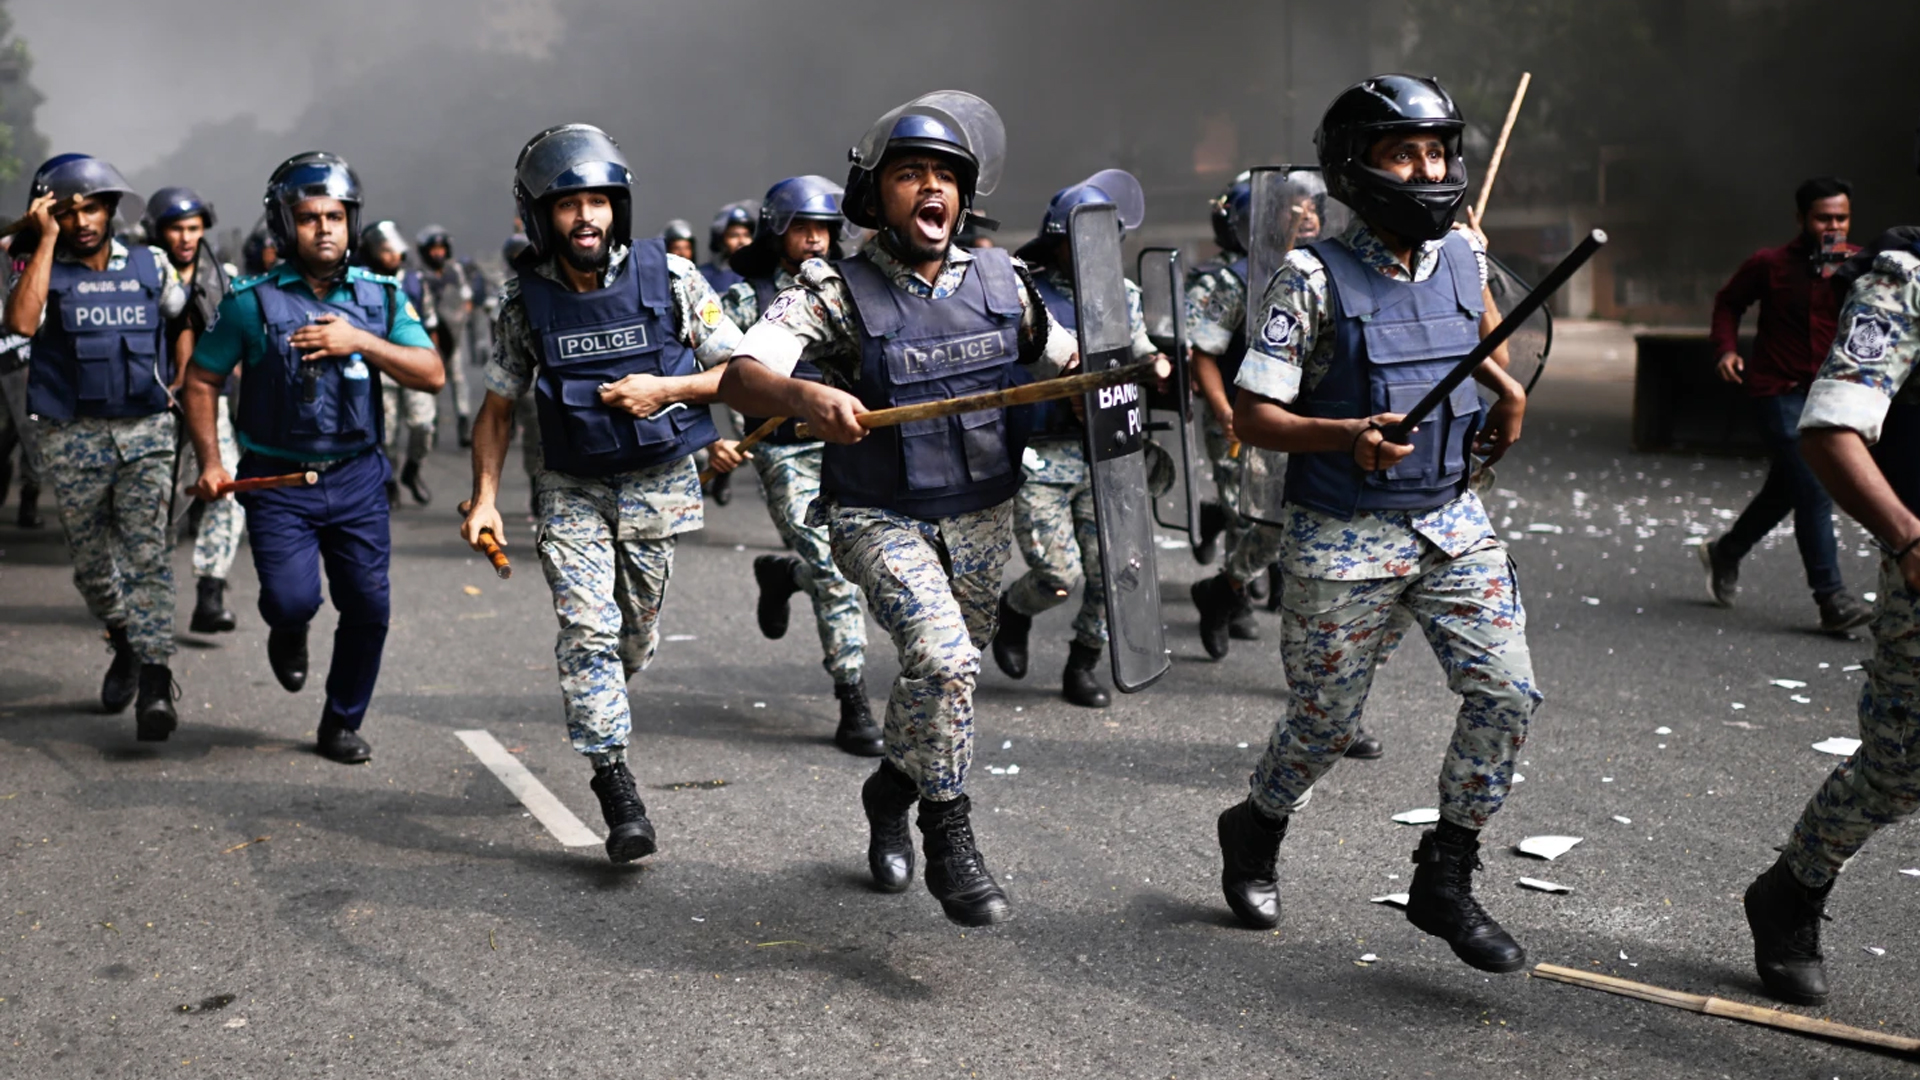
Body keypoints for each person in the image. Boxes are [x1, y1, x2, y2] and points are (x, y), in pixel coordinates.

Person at [718, 90, 1076, 926]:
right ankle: (949, 831)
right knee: (946, 662)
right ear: (876, 197)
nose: (931, 189)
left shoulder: (1004, 282)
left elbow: (1069, 364)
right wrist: (804, 395)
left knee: (941, 680)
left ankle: (889, 790)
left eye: (946, 175)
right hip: (877, 515)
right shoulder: (830, 289)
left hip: (983, 517)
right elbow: (741, 376)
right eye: (910, 173)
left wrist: (1133, 378)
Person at [1213, 75, 1541, 974]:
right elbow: (1251, 417)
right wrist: (1342, 435)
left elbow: (1481, 348)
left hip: (1450, 520)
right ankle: (1256, 824)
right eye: (1404, 152)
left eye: (1438, 151)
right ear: (1356, 167)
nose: (1427, 169)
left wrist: (1507, 395)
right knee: (1323, 723)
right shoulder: (1310, 278)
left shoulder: (1465, 256)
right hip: (1343, 535)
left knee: (1507, 693)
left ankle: (1446, 876)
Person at [462, 124, 743, 864]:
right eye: (566, 205)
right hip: (571, 489)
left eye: (597, 201)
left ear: (617, 205)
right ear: (538, 215)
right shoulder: (523, 303)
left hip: (658, 487)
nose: (585, 218)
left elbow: (739, 370)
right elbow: (496, 407)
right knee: (587, 630)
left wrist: (670, 389)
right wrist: (485, 496)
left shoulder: (675, 278)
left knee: (634, 638)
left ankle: (604, 702)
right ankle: (615, 782)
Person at [182, 151, 444, 764]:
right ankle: (290, 629)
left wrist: (359, 341)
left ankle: (340, 722)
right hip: (275, 479)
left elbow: (431, 374)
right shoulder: (251, 303)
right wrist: (212, 462)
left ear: (353, 222)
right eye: (309, 217)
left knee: (369, 606)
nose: (325, 228)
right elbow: (200, 381)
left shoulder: (381, 298)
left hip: (356, 476)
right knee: (292, 599)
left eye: (336, 216)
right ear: (284, 225)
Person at [1739, 176, 1920, 1005]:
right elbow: (1832, 428)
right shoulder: (1903, 279)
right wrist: (1908, 537)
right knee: (1898, 770)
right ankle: (1791, 890)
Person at [5, 154, 189, 738]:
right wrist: (44, 240)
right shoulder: (38, 267)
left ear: (111, 207)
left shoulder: (151, 264)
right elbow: (23, 323)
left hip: (145, 434)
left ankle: (156, 680)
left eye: (91, 206)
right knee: (91, 572)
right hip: (72, 437)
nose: (82, 219)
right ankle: (127, 641)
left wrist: (183, 380)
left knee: (146, 555)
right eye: (67, 210)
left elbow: (184, 322)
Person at [723, 174, 881, 756]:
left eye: (823, 230)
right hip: (785, 449)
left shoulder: (849, 290)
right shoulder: (744, 298)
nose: (814, 241)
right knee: (832, 568)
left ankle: (783, 576)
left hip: (852, 442)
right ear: (776, 232)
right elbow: (718, 375)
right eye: (802, 229)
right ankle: (853, 697)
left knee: (865, 561)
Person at [990, 169, 1157, 709]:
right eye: (1080, 241)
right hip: (1044, 453)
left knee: (1116, 573)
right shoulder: (1027, 293)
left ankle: (1083, 663)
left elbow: (1141, 346)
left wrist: (1155, 365)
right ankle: (1013, 611)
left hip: (1107, 450)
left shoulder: (1122, 294)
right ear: (1058, 240)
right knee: (1058, 575)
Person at [1701, 177, 1870, 633]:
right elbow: (1728, 303)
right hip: (1777, 391)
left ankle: (1726, 552)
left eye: (1841, 217)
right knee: (1814, 484)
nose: (1832, 226)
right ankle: (1832, 599)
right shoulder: (1769, 265)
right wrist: (1726, 349)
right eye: (1823, 218)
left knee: (1786, 489)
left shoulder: (1859, 265)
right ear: (1801, 219)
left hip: (1829, 395)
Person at [145, 185, 243, 634]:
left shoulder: (222, 277)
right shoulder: (137, 271)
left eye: (193, 228)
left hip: (209, 400)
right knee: (156, 506)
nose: (185, 238)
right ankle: (149, 598)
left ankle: (210, 590)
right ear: (157, 231)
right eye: (175, 228)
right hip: (151, 405)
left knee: (227, 490)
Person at [1182, 172, 1263, 651]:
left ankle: (1235, 566)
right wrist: (1222, 407)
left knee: (1267, 510)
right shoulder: (1225, 281)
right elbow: (1198, 345)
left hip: (1289, 414)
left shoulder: (1301, 268)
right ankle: (1234, 599)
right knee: (1244, 506)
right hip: (1233, 408)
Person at [358, 221, 437, 506]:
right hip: (381, 369)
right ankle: (388, 480)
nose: (391, 256)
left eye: (394, 249)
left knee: (423, 425)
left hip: (414, 362)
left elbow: (430, 322)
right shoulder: (361, 282)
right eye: (384, 250)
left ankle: (413, 470)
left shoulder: (414, 280)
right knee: (386, 432)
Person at [418, 225, 475, 450]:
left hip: (455, 334)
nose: (438, 253)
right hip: (431, 338)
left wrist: (460, 322)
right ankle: (431, 427)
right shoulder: (421, 276)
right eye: (433, 249)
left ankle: (463, 423)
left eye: (441, 248)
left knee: (459, 380)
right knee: (432, 381)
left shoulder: (455, 271)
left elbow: (466, 298)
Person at [700, 201, 754, 293]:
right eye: (734, 235)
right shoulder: (703, 277)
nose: (741, 241)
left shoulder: (762, 275)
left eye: (746, 235)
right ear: (720, 240)